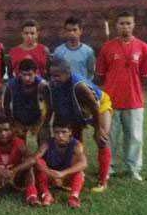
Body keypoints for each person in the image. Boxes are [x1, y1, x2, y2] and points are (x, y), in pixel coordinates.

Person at [96, 11, 147, 182]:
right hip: (110, 101)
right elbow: (101, 74)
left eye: (128, 23)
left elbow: (143, 74)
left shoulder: (143, 47)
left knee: (134, 137)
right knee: (110, 136)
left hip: (134, 100)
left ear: (134, 25)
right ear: (116, 26)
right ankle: (109, 167)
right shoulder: (107, 47)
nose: (125, 26)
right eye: (121, 23)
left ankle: (133, 168)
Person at [48, 58, 113, 192]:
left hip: (99, 107)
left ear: (67, 73)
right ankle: (77, 173)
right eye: (52, 75)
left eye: (57, 76)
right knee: (74, 141)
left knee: (101, 139)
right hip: (78, 110)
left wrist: (98, 129)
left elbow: (94, 106)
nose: (54, 79)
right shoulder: (54, 85)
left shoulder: (79, 86)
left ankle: (103, 180)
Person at [0, 117, 38, 206]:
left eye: (6, 130)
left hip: (15, 176)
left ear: (12, 130)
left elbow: (32, 160)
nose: (3, 133)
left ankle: (32, 196)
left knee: (30, 169)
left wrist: (14, 171)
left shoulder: (19, 142)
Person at [34, 122, 87, 209]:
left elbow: (84, 163)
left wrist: (62, 173)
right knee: (40, 165)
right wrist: (51, 174)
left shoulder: (76, 145)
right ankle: (46, 195)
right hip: (51, 176)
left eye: (64, 132)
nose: (60, 135)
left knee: (79, 172)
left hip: (67, 177)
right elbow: (35, 159)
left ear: (70, 132)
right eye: (56, 132)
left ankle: (74, 197)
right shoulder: (47, 143)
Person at [3, 59, 51, 145]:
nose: (27, 78)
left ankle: (44, 152)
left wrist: (41, 124)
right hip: (18, 120)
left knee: (44, 138)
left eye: (30, 75)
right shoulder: (11, 85)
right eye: (24, 74)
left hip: (38, 119)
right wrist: (13, 123)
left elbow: (49, 107)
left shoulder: (43, 85)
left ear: (36, 73)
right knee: (17, 144)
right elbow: (6, 105)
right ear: (19, 73)